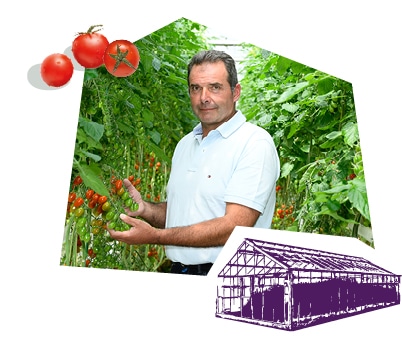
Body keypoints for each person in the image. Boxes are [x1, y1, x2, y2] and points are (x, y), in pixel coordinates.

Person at [107, 49, 280, 275]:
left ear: (235, 92)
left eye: (215, 87)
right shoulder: (186, 144)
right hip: (181, 270)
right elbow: (182, 215)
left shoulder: (254, 143)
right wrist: (146, 209)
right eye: (196, 88)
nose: (204, 97)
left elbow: (235, 226)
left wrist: (155, 237)